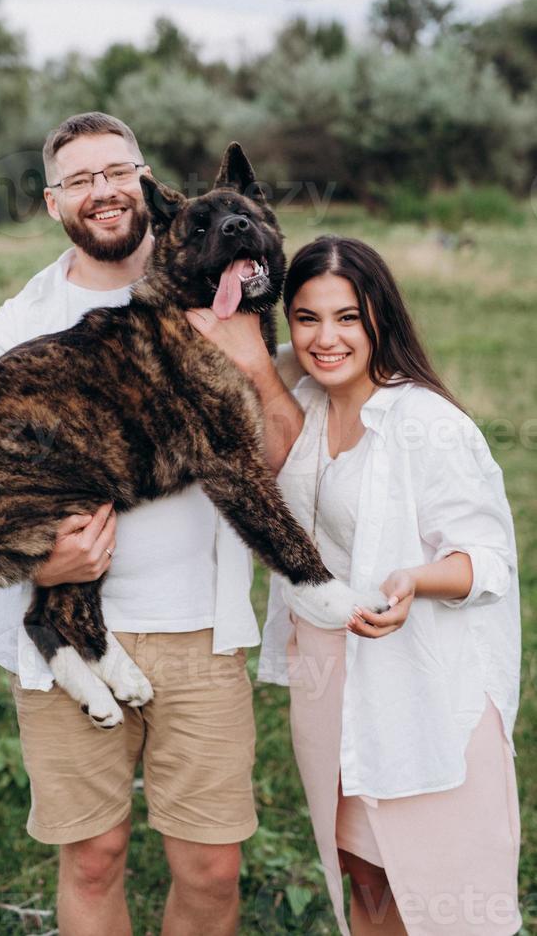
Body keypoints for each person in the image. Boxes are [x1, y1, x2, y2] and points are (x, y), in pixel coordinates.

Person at [187, 234, 521, 936]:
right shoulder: (298, 397)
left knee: (442, 887)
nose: (326, 337)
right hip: (328, 678)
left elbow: (487, 558)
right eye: (307, 317)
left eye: (348, 317)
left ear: (380, 320)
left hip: (419, 682)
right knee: (360, 873)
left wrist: (414, 580)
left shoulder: (427, 425)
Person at [0, 112, 260, 936]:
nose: (101, 191)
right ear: (51, 202)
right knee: (93, 856)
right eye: (78, 179)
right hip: (68, 632)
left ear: (143, 177)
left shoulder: (213, 292)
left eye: (116, 170)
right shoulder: (15, 327)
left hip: (198, 628)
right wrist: (40, 561)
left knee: (210, 866)